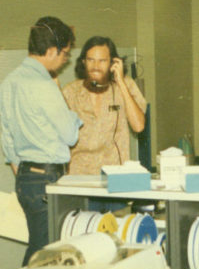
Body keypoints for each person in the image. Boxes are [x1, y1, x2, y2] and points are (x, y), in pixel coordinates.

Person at [0, 16, 81, 265]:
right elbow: (70, 135)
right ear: (52, 50)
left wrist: (23, 169)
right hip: (47, 178)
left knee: (41, 249)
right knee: (43, 256)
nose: (65, 60)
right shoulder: (44, 85)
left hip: (25, 178)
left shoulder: (8, 83)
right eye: (65, 54)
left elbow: (8, 140)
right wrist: (72, 114)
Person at [62, 36, 147, 175]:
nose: (95, 67)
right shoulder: (70, 92)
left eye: (102, 61)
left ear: (113, 63)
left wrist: (121, 83)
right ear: (83, 62)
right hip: (79, 175)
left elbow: (139, 126)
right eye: (91, 60)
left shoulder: (126, 85)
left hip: (115, 175)